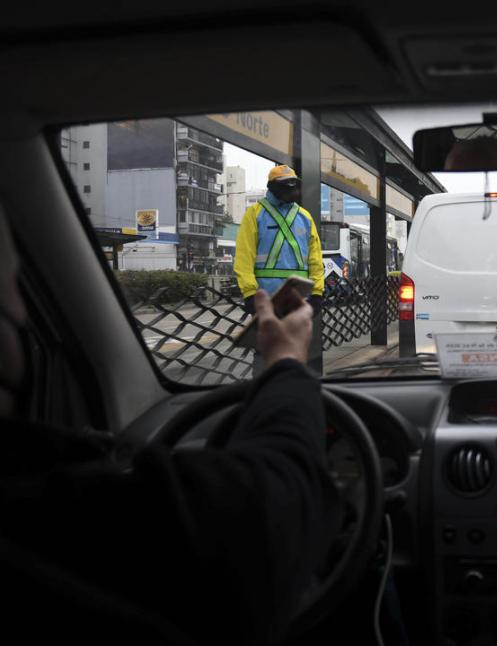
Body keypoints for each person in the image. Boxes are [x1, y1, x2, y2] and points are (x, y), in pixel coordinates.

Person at [0, 205, 340, 644]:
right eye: (17, 289)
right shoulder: (65, 505)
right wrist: (287, 361)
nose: (26, 315)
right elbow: (276, 515)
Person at [234, 164, 325, 319]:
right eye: (286, 185)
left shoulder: (305, 217)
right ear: (272, 187)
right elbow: (244, 257)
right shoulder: (254, 214)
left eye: (294, 185)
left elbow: (315, 259)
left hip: (299, 300)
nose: (291, 190)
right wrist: (249, 293)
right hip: (266, 300)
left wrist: (316, 293)